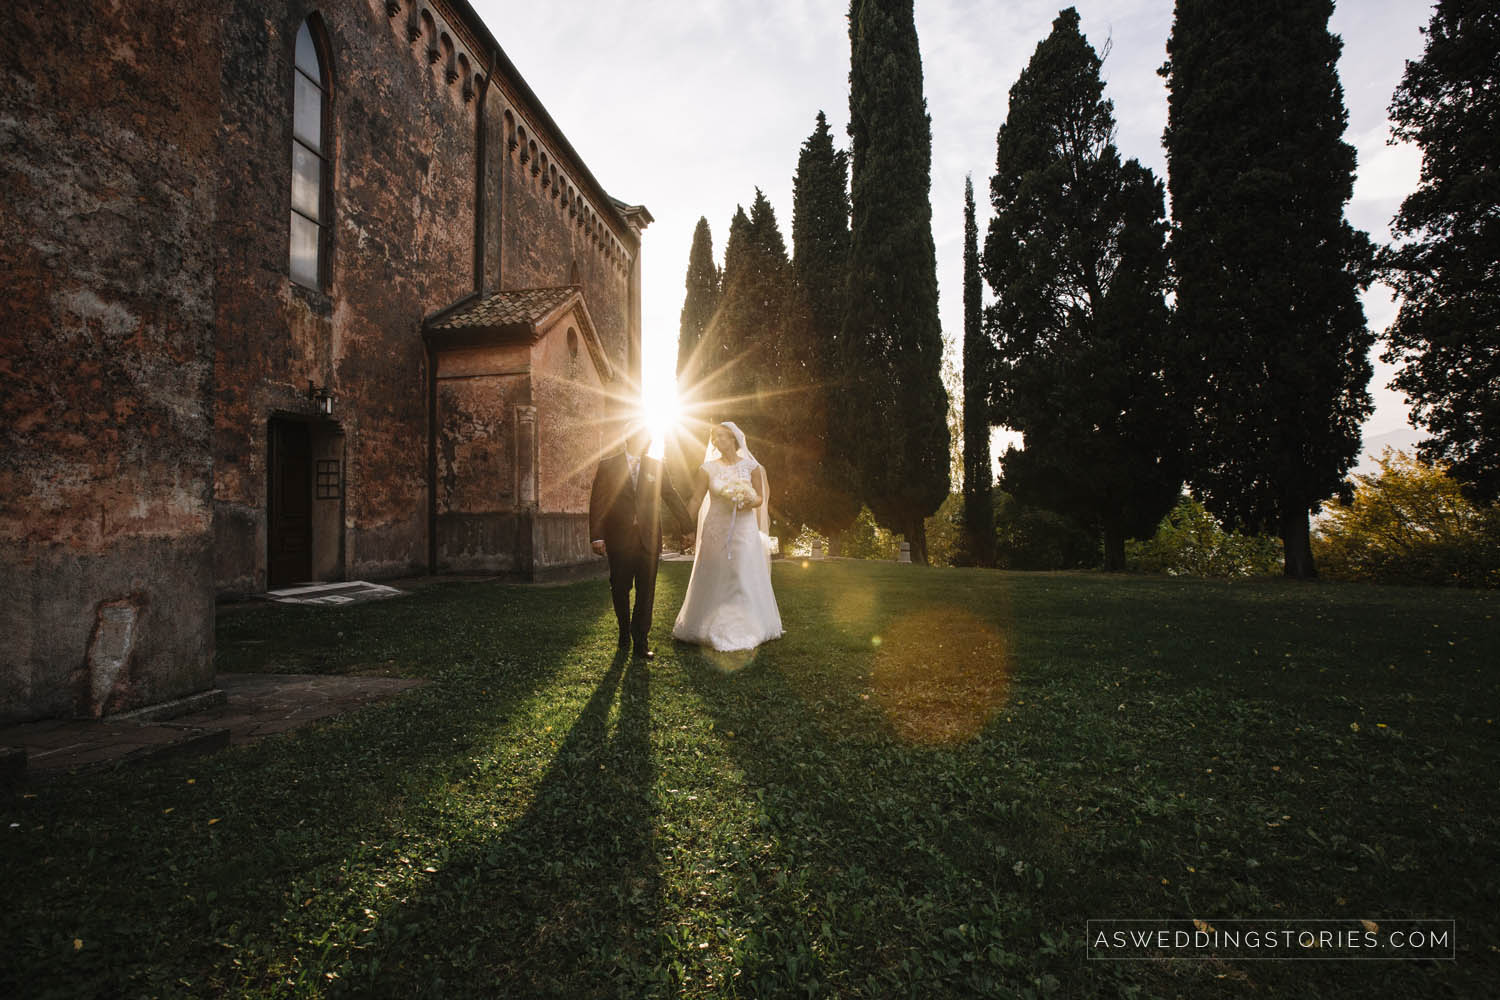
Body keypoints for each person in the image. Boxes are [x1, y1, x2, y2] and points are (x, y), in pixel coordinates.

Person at [672, 422, 783, 652]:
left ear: (733, 439)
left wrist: (749, 500)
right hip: (716, 529)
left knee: (741, 572)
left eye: (721, 437)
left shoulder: (753, 468)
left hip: (743, 528)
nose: (716, 441)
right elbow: (695, 499)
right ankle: (705, 623)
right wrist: (684, 526)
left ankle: (744, 627)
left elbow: (761, 498)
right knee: (714, 572)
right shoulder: (707, 469)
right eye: (714, 438)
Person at [589, 422, 693, 660]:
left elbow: (671, 496)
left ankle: (641, 641)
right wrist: (597, 535)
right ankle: (624, 632)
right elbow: (599, 501)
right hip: (619, 538)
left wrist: (687, 527)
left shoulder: (656, 466)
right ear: (628, 437)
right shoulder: (608, 466)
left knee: (646, 592)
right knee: (620, 588)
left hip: (648, 538)